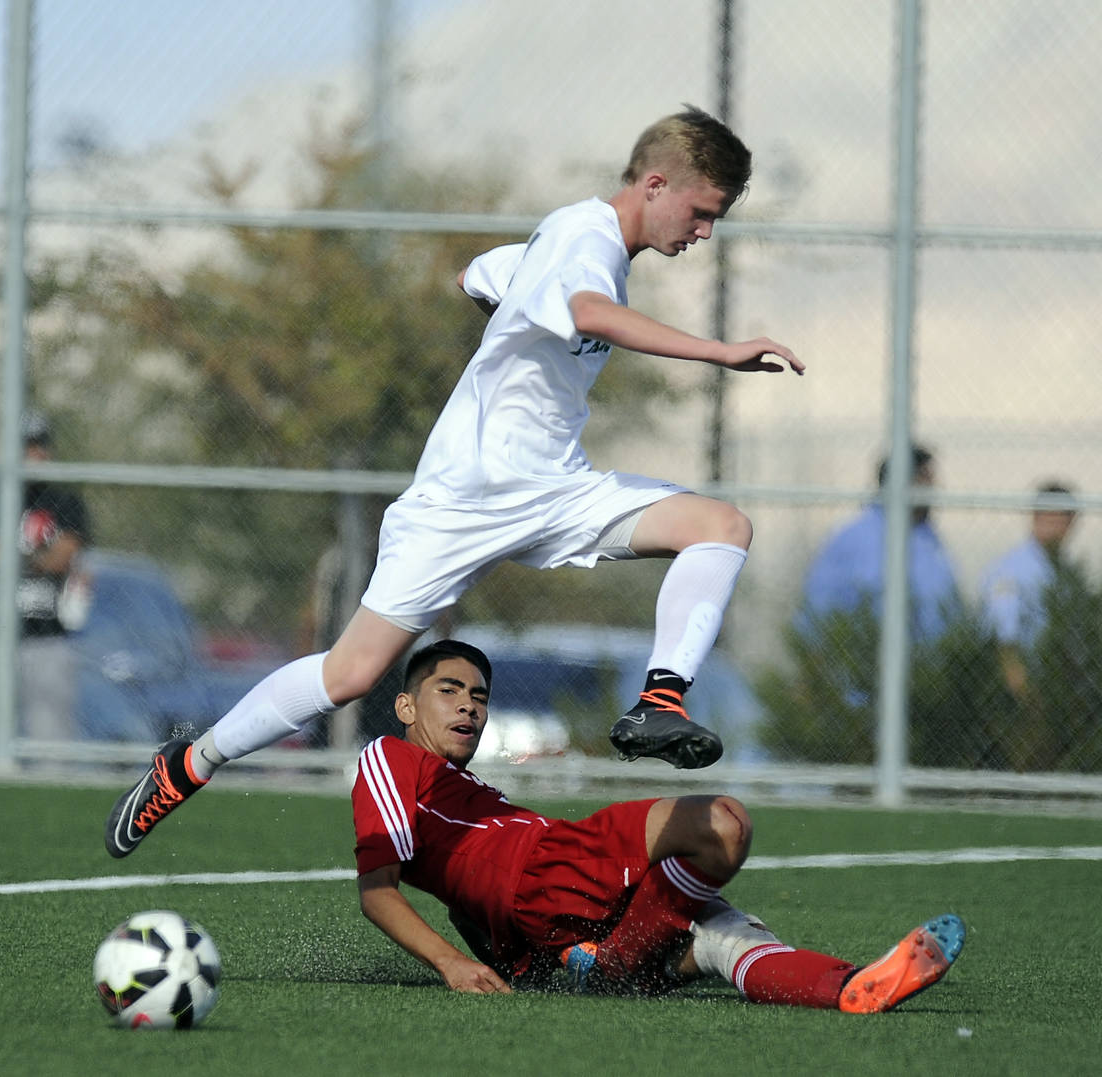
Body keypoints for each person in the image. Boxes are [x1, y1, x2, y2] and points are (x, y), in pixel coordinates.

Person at [104, 106, 805, 859]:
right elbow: (583, 306)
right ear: (657, 182)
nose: (703, 233)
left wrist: (505, 304)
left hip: (555, 490)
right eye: (702, 213)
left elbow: (478, 275)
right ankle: (190, 762)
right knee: (352, 672)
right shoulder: (586, 237)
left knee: (721, 526)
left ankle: (658, 705)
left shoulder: (572, 242)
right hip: (464, 500)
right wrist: (717, 352)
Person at [351, 639, 965, 1009]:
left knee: (728, 936)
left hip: (564, 906)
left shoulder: (474, 791)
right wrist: (450, 964)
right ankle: (616, 962)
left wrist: (506, 949)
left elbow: (468, 894)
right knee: (722, 825)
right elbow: (378, 891)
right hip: (552, 867)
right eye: (448, 690)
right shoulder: (391, 757)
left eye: (479, 696)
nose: (468, 704)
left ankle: (850, 988)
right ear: (406, 706)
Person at [0, 409, 91, 742]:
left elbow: (63, 556)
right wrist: (35, 552)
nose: (33, 454)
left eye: (39, 445)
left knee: (51, 743)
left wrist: (7, 553)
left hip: (45, 637)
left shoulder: (65, 502)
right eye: (25, 446)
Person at [799, 444, 961, 644]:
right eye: (925, 479)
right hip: (866, 664)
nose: (934, 488)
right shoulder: (856, 538)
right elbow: (818, 609)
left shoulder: (929, 539)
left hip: (930, 668)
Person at [979, 482, 1078, 699]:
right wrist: (1025, 695)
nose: (1054, 526)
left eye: (1062, 518)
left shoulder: (1062, 571)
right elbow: (1004, 639)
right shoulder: (1011, 570)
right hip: (1025, 687)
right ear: (1035, 516)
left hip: (1059, 685)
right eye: (1047, 516)